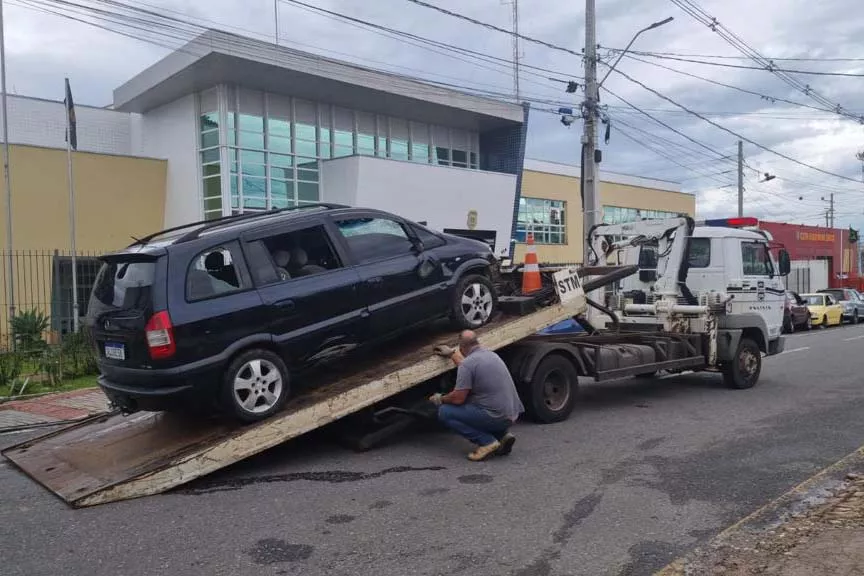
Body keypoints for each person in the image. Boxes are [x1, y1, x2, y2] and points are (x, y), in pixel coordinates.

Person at [429, 330, 525, 461]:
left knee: (445, 412)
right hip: (511, 415)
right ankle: (502, 435)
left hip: (496, 417)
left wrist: (440, 399)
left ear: (461, 347)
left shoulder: (468, 364)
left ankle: (487, 442)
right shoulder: (491, 355)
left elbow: (458, 399)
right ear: (476, 342)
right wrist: (452, 355)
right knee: (478, 402)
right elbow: (468, 366)